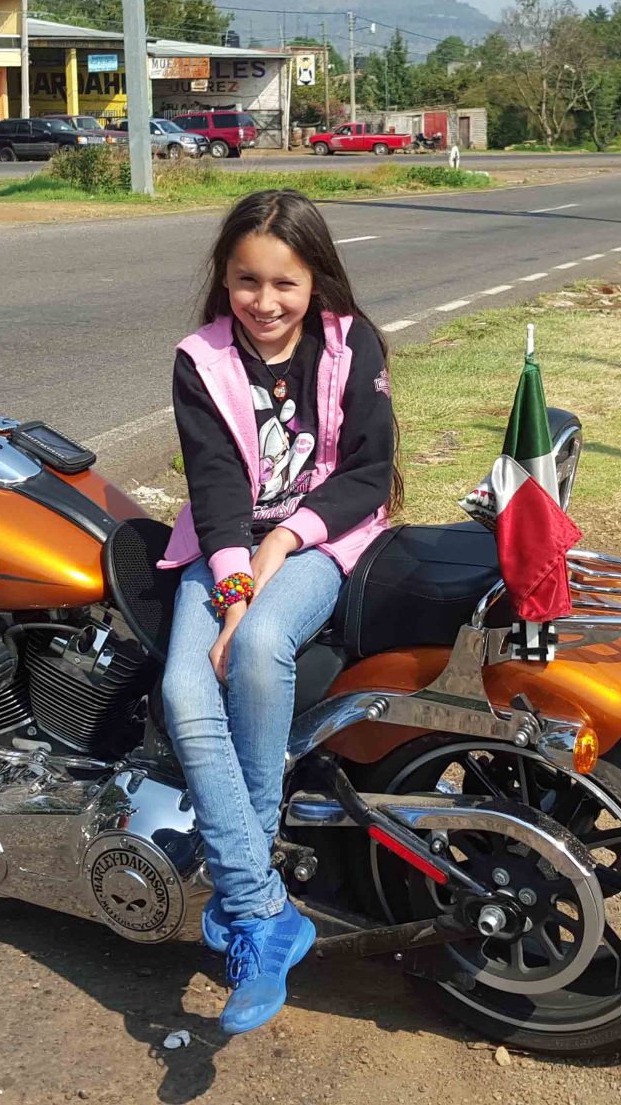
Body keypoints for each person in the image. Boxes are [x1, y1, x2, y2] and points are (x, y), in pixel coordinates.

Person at [157, 188, 399, 1035]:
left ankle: (246, 892)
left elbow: (370, 472)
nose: (264, 302)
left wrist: (283, 544)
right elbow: (215, 485)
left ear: (315, 279)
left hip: (327, 540)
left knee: (260, 646)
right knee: (189, 689)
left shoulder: (348, 342)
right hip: (220, 548)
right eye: (245, 281)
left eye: (284, 284)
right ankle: (262, 908)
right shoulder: (202, 358)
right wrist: (232, 585)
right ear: (225, 281)